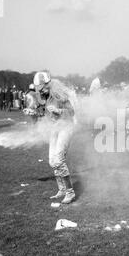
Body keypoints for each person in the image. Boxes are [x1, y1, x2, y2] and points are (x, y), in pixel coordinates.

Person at [32, 71, 76, 204]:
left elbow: (71, 112)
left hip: (65, 128)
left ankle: (70, 192)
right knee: (52, 161)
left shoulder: (59, 95)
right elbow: (46, 115)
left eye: (42, 88)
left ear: (47, 84)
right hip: (54, 130)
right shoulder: (45, 96)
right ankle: (62, 189)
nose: (41, 91)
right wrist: (35, 112)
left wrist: (59, 111)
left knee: (59, 160)